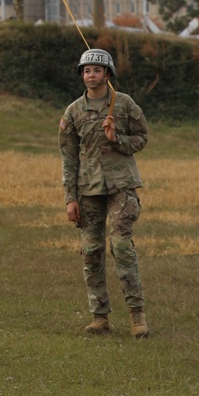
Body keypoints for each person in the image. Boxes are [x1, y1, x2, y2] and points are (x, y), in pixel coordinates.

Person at [60, 47, 149, 338]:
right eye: (86, 70)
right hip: (88, 190)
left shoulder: (123, 104)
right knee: (91, 251)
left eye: (97, 70)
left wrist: (117, 139)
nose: (91, 75)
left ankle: (137, 316)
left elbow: (142, 137)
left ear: (107, 73)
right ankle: (100, 317)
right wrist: (70, 198)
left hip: (121, 186)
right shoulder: (73, 111)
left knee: (121, 246)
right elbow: (69, 157)